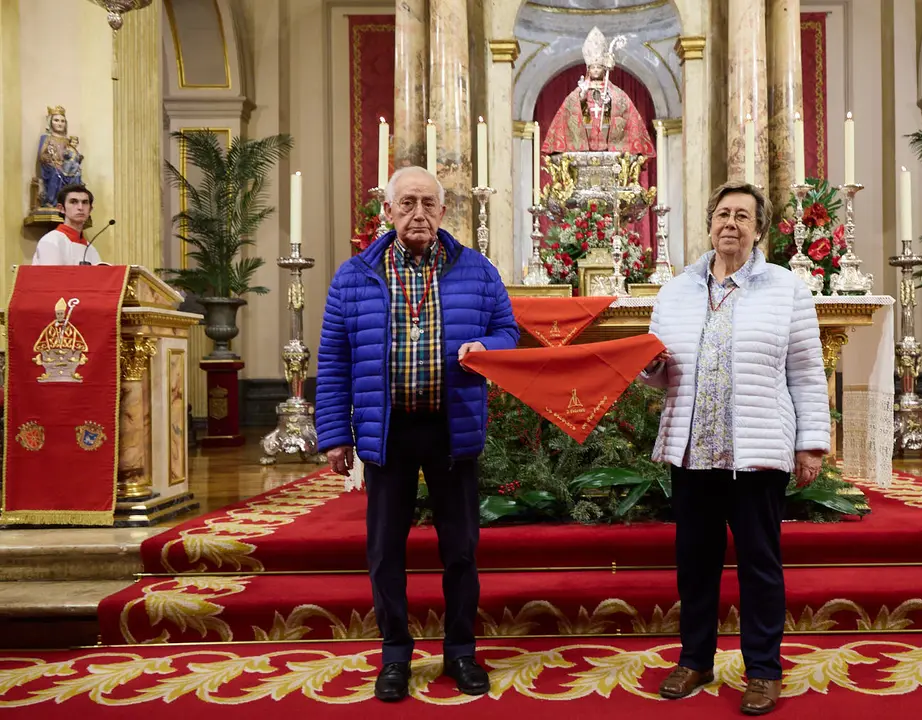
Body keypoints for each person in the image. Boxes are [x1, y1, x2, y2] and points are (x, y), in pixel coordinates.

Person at [314, 166, 519, 702]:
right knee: (385, 551)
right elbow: (333, 361)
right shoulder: (354, 275)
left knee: (461, 549)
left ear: (444, 211)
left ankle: (460, 651)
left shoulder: (476, 270)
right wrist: (336, 435)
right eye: (407, 204)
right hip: (389, 432)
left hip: (453, 428)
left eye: (428, 203)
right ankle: (395, 655)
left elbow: (507, 331)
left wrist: (488, 350)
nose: (419, 214)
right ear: (387, 211)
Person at [641, 181, 829, 716]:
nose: (731, 223)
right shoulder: (676, 289)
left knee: (760, 565)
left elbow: (807, 371)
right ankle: (695, 658)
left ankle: (764, 670)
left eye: (743, 216)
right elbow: (658, 374)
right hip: (693, 451)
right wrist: (650, 370)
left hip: (758, 451)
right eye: (723, 214)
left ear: (758, 229)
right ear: (709, 223)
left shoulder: (786, 288)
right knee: (694, 564)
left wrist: (811, 443)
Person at [540, 27, 656, 156]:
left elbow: (625, 109)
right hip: (585, 140)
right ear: (588, 69)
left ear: (603, 69)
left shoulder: (616, 93)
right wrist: (582, 96)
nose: (595, 70)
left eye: (599, 67)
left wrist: (611, 100)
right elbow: (570, 108)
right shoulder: (580, 90)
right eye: (593, 67)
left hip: (608, 141)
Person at [33, 184, 103, 266]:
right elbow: (52, 276)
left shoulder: (91, 249)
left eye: (85, 202)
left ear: (90, 209)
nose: (80, 207)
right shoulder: (51, 241)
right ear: (61, 208)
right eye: (73, 202)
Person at [35, 106, 82, 208]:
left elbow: (71, 154)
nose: (60, 123)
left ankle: (73, 202)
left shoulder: (67, 141)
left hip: (66, 167)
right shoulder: (47, 138)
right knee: (57, 172)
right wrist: (50, 159)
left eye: (62, 121)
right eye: (56, 120)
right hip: (52, 166)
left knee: (77, 173)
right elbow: (41, 155)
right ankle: (52, 201)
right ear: (50, 122)